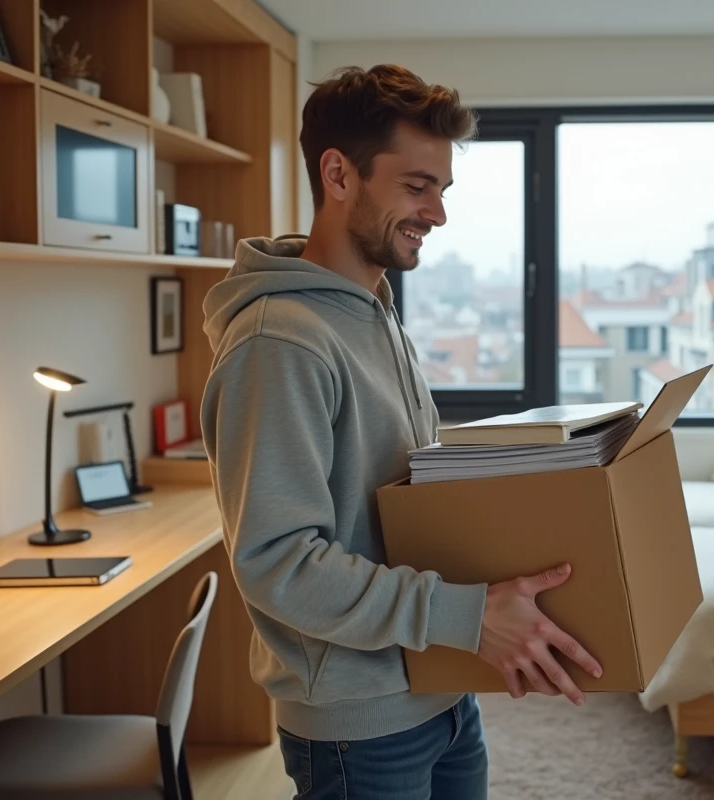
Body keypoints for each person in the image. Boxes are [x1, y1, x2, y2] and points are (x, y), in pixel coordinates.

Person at [199, 64, 603, 800]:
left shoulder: (375, 312)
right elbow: (279, 562)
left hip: (439, 683)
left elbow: (398, 494)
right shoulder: (280, 341)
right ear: (338, 174)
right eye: (418, 186)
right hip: (359, 724)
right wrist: (469, 617)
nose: (437, 213)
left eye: (442, 190)